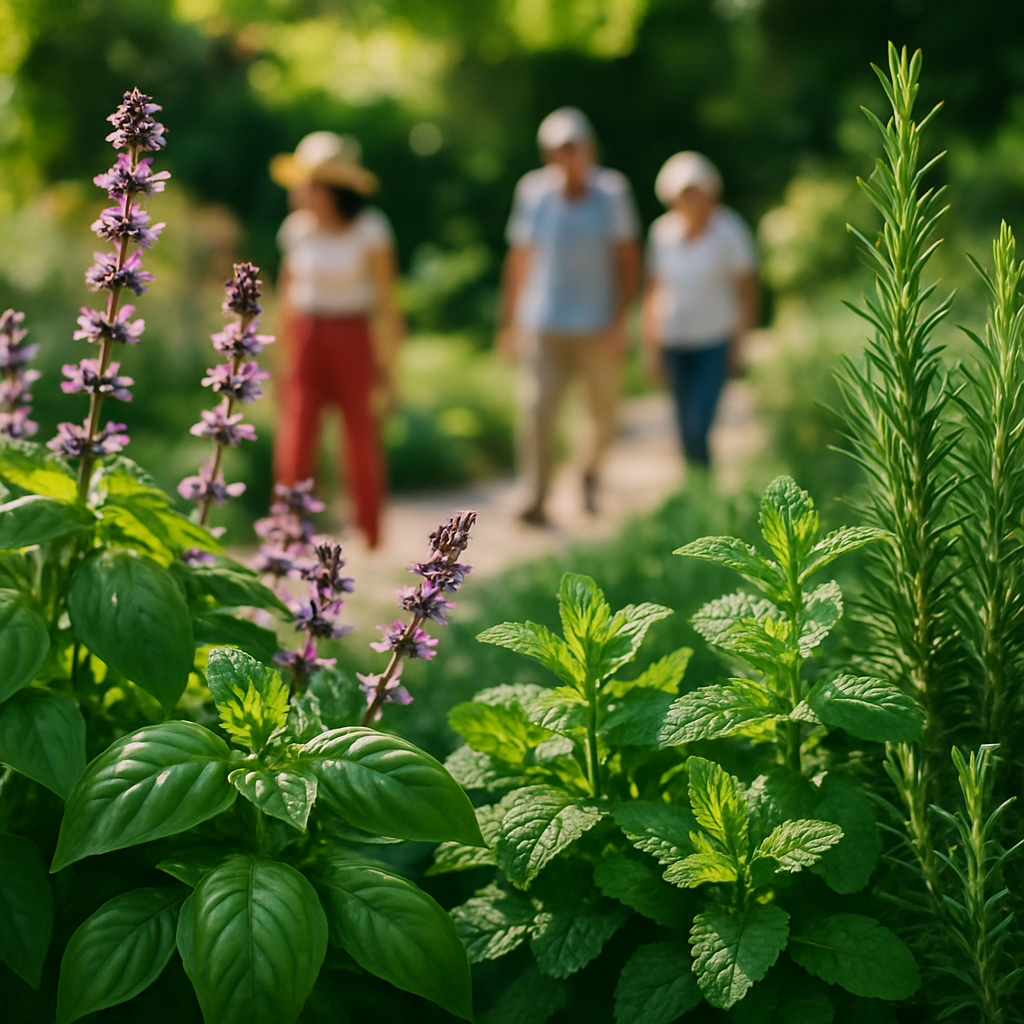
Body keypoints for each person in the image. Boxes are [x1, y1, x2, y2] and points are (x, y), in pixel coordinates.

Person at [497, 107, 641, 525]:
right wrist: (508, 322)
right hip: (545, 323)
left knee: (602, 415)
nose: (566, 157)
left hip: (598, 325)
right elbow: (519, 259)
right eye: (557, 150)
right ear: (547, 155)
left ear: (588, 149)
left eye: (573, 148)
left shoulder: (612, 192)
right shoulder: (533, 192)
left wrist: (620, 320)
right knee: (536, 412)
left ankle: (589, 474)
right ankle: (536, 495)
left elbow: (628, 259)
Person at [269, 131, 405, 549]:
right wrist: (278, 358)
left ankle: (369, 532)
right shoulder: (296, 230)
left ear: (332, 189)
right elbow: (285, 296)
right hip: (307, 337)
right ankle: (290, 531)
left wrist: (390, 365)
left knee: (361, 434)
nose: (300, 191)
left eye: (309, 183)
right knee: (297, 433)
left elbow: (387, 300)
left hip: (353, 336)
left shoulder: (370, 229)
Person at [641, 151, 758, 469]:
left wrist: (740, 341)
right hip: (674, 340)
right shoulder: (662, 233)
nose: (691, 200)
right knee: (682, 427)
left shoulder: (729, 229)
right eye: (684, 194)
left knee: (700, 424)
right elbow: (653, 290)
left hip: (714, 339)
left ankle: (703, 482)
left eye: (696, 192)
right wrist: (650, 344)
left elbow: (747, 290)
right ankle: (696, 486)